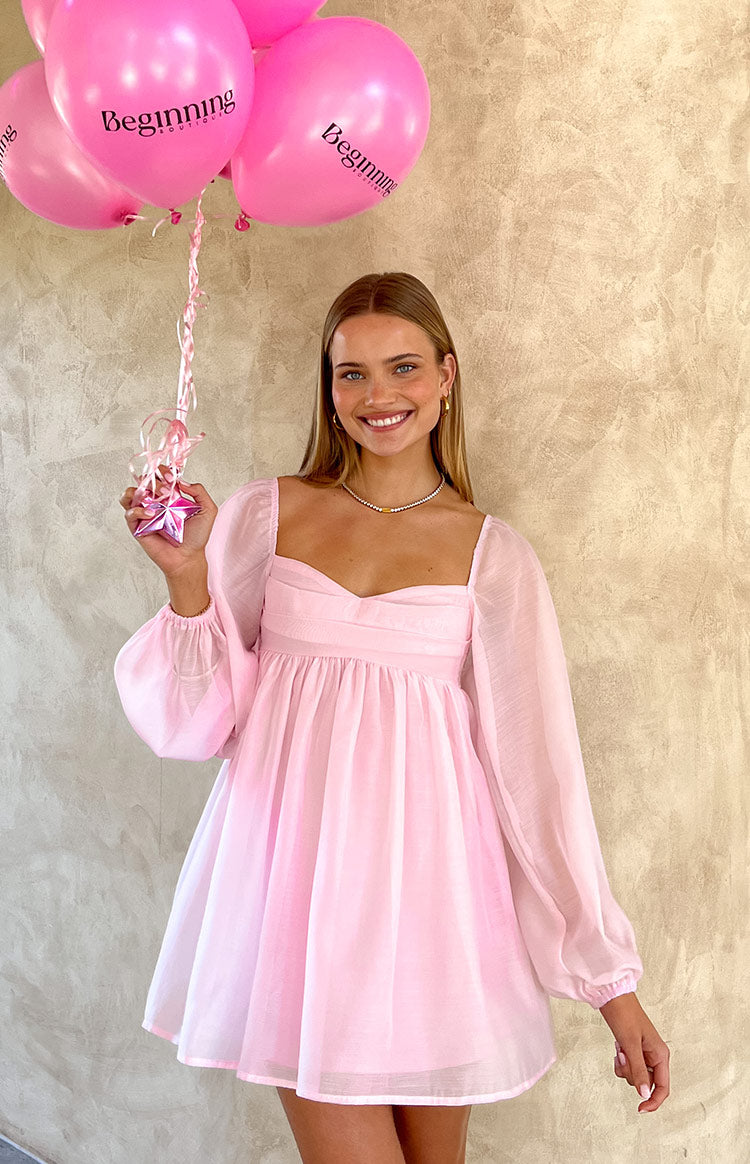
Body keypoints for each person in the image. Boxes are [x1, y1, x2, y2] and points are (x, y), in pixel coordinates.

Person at [115, 272, 670, 1163]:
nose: (379, 396)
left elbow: (539, 779)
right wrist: (188, 584)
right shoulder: (264, 514)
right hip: (290, 900)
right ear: (329, 390)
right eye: (352, 374)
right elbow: (199, 722)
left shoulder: (494, 557)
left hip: (433, 912)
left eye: (403, 367)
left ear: (446, 376)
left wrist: (615, 989)